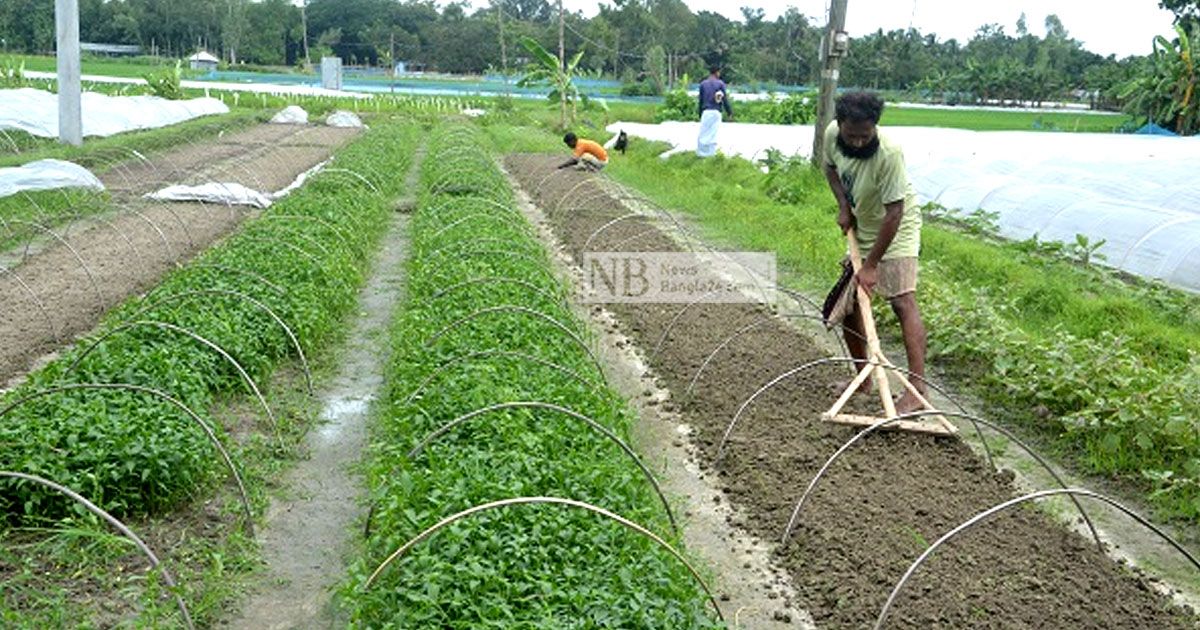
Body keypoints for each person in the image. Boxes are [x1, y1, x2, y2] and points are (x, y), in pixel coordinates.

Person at [822, 91, 927, 414]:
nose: (856, 143)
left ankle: (916, 391)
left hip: (897, 227)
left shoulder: (889, 153)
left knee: (901, 301)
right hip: (864, 222)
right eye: (850, 135)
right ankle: (863, 378)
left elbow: (895, 212)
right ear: (840, 124)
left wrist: (870, 265)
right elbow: (830, 169)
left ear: (875, 128)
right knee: (851, 307)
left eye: (864, 136)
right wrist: (843, 206)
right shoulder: (831, 135)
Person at [697, 65, 733, 157]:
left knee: (703, 133)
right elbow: (724, 100)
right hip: (716, 111)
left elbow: (700, 101)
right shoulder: (720, 84)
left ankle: (701, 153)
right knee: (713, 133)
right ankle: (711, 154)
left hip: (706, 111)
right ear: (717, 72)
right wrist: (729, 112)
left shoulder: (703, 84)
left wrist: (700, 113)